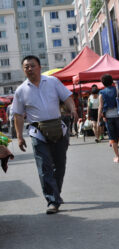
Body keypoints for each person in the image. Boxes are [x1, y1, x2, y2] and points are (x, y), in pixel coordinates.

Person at [12, 55, 78, 214]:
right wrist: (20, 137)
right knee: (44, 167)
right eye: (26, 67)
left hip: (58, 128)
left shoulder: (53, 82)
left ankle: (56, 193)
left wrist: (73, 109)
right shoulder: (21, 90)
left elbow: (67, 97)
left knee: (60, 165)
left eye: (32, 65)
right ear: (24, 70)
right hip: (37, 133)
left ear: (39, 67)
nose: (29, 69)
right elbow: (18, 115)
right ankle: (52, 201)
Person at [98, 74, 119, 163]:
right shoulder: (117, 89)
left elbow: (100, 106)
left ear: (103, 83)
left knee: (113, 138)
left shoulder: (102, 93)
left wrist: (98, 118)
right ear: (112, 81)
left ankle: (117, 157)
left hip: (108, 117)